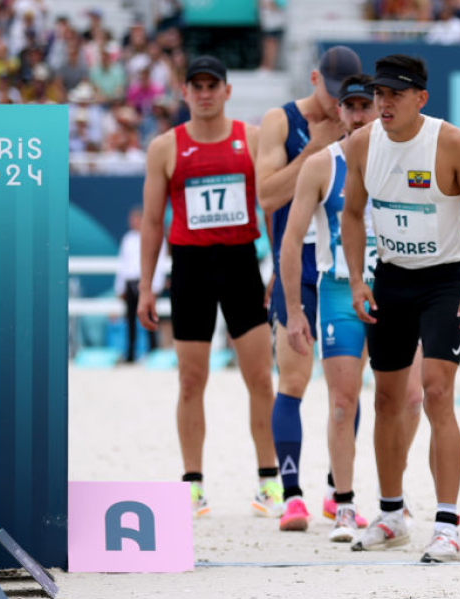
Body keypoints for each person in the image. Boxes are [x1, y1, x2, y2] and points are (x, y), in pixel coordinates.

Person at [342, 54, 460, 564]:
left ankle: (448, 523)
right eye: (378, 95)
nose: (382, 104)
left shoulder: (451, 143)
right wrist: (355, 279)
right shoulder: (363, 143)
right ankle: (391, 516)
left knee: (436, 394)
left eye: (393, 95)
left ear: (420, 99)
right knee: (387, 402)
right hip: (389, 280)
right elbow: (349, 213)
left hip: (443, 283)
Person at [137, 55, 278, 517]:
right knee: (190, 380)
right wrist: (145, 286)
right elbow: (154, 222)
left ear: (227, 90)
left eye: (211, 85)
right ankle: (193, 484)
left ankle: (269, 480)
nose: (203, 93)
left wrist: (280, 267)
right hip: (191, 269)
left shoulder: (252, 139)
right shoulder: (165, 147)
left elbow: (274, 207)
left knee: (259, 377)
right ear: (184, 92)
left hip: (241, 263)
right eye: (195, 85)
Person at [256, 45, 363, 530]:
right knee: (294, 381)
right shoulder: (280, 122)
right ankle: (292, 493)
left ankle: (335, 490)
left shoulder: (363, 120)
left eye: (350, 97)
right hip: (298, 263)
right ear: (315, 80)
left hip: (346, 265)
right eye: (335, 94)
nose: (342, 105)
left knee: (348, 392)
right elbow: (267, 197)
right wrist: (316, 148)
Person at [278, 74, 376, 542]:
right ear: (339, 112)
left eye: (366, 107)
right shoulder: (322, 165)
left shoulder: (401, 160)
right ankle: (343, 502)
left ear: (381, 109)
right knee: (341, 402)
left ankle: (393, 500)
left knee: (412, 400)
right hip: (338, 291)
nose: (358, 116)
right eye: (350, 107)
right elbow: (290, 240)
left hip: (395, 290)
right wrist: (295, 310)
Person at [117, 205, 167, 362]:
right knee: (130, 320)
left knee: (150, 319)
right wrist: (120, 288)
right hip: (130, 283)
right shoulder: (127, 239)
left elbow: (159, 263)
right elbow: (122, 264)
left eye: (136, 219)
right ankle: (130, 354)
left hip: (147, 283)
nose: (132, 222)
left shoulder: (154, 237)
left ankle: (153, 353)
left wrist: (154, 287)